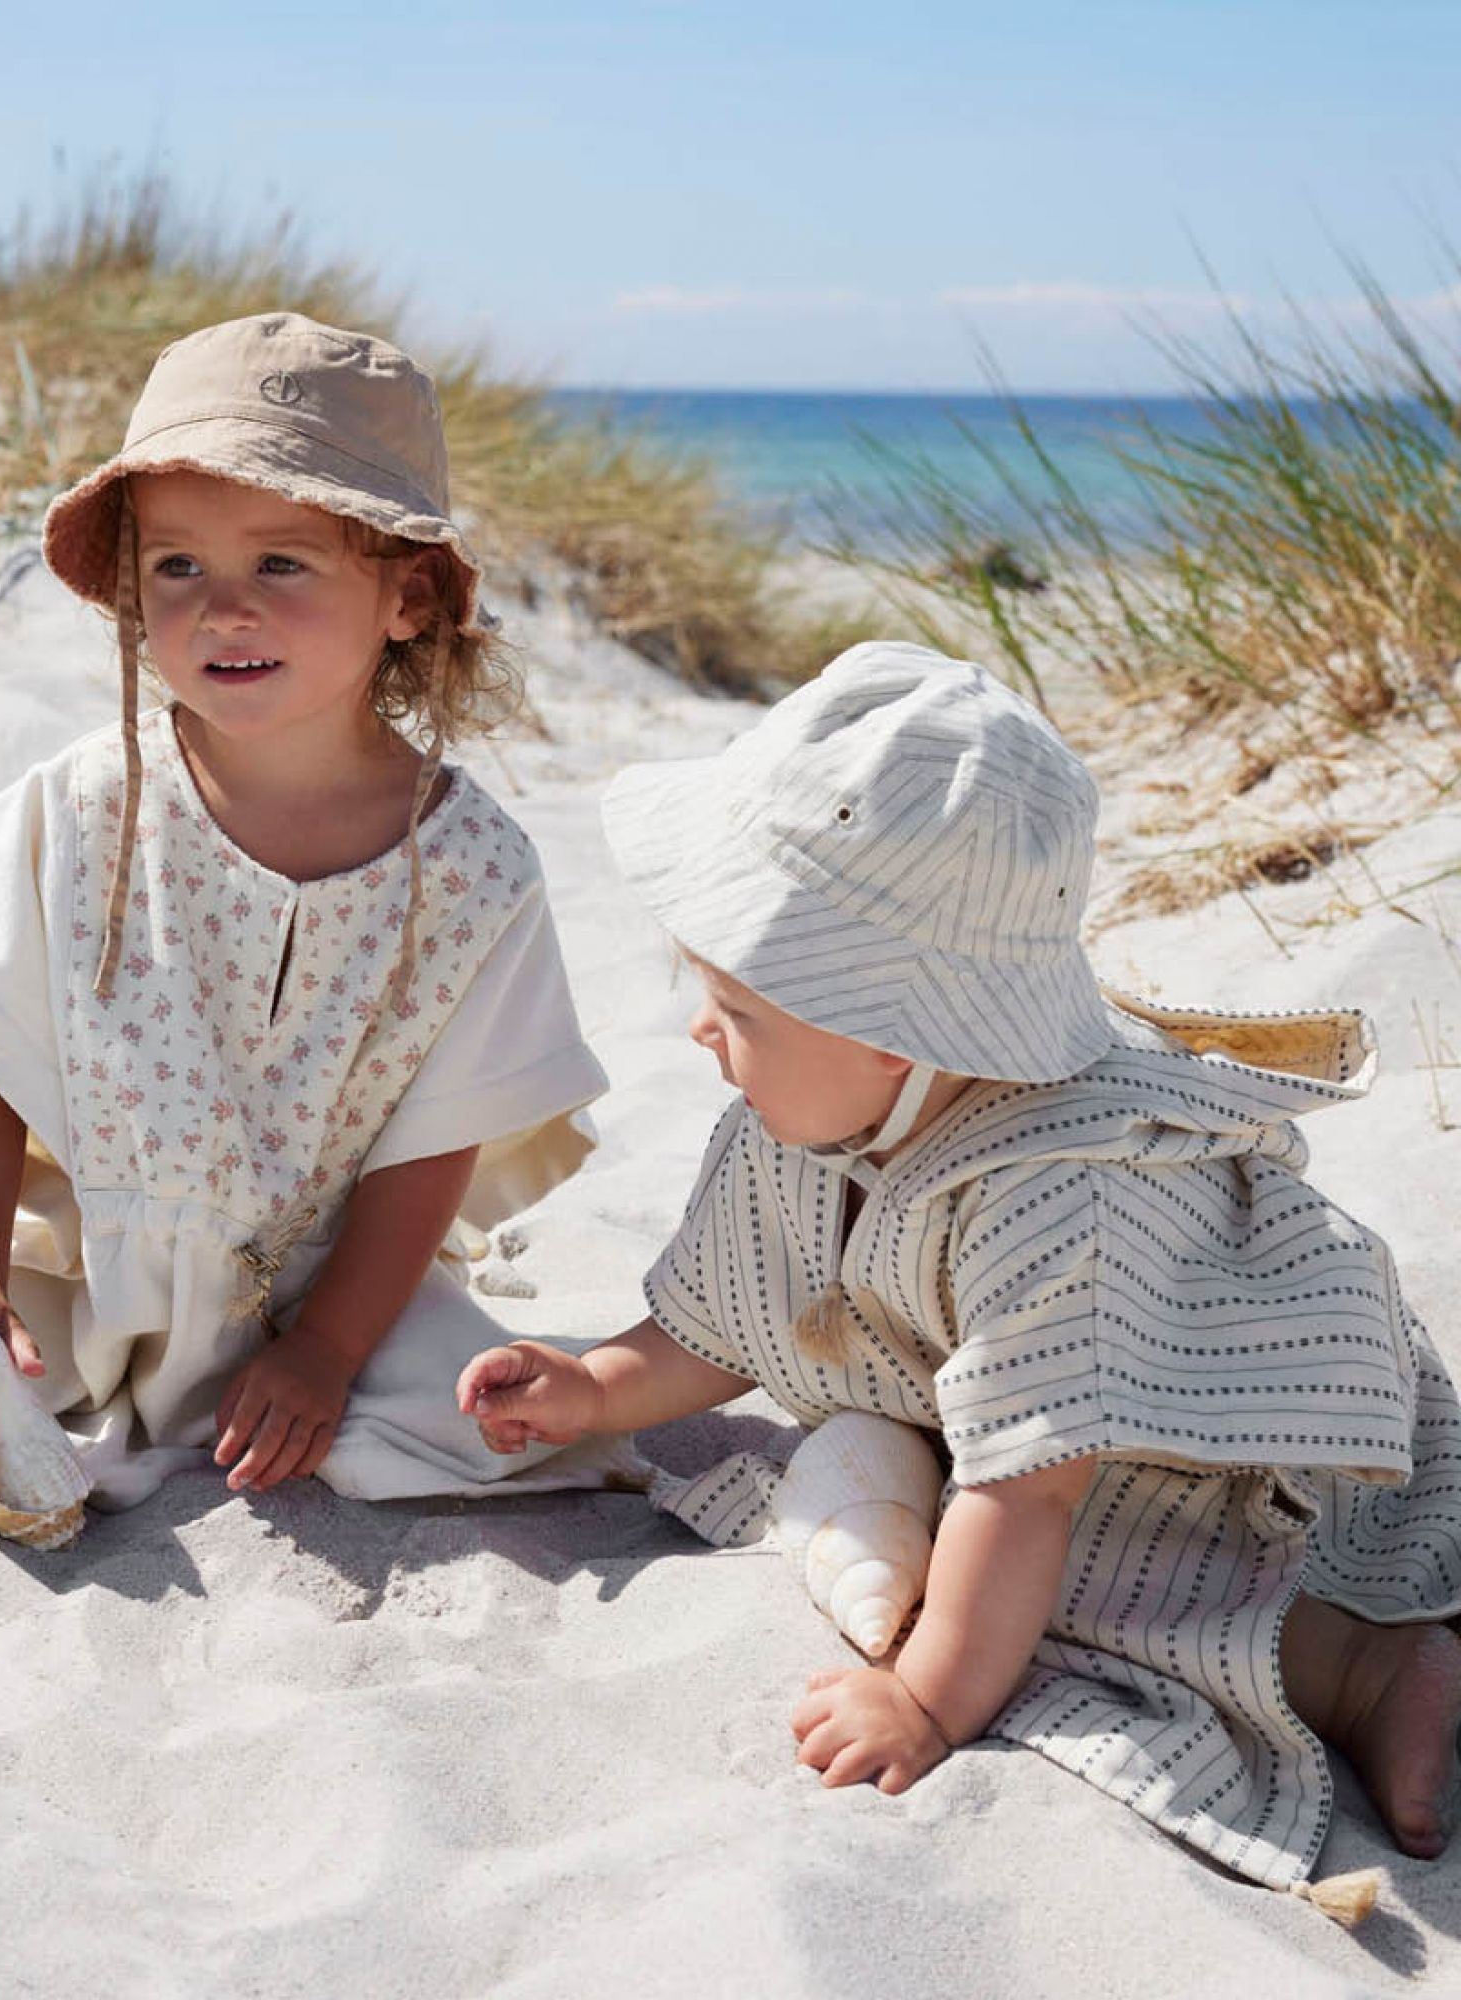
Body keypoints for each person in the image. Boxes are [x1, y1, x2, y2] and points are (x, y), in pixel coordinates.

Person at [458, 642, 1461, 1905]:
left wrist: (924, 1702)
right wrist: (593, 1382)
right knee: (946, 1522)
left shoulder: (1063, 1193)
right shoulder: (800, 1117)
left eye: (738, 1007)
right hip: (1031, 1415)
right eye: (694, 985)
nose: (697, 1028)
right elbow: (732, 1313)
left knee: (1085, 1577)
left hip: (1221, 1430)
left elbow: (1028, 1496)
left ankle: (1372, 1669)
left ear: (893, 1035)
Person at [0, 311, 615, 1515]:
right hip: (90, 1253)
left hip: (324, 1282)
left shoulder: (472, 865)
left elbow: (432, 1145)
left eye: (280, 562)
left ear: (408, 595)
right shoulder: (90, 806)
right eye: (176, 566)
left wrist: (322, 1352)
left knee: (499, 1432)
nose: (221, 608)